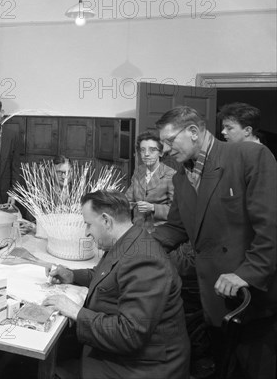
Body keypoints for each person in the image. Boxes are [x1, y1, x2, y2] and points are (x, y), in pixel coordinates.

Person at [153, 106, 277, 379]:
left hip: (252, 300)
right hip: (213, 298)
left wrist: (247, 273)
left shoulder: (250, 156)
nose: (164, 149)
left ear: (194, 132)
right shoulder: (181, 177)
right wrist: (133, 244)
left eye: (170, 141)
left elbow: (270, 226)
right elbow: (175, 228)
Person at [43, 190, 190, 379]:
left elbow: (129, 334)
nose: (87, 232)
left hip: (145, 366)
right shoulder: (128, 239)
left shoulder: (145, 260)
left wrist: (75, 311)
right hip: (134, 354)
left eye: (88, 224)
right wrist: (71, 275)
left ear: (106, 221)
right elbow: (106, 275)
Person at [125, 132, 176, 232]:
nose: (146, 154)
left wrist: (153, 207)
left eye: (152, 150)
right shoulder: (138, 171)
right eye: (143, 150)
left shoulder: (171, 175)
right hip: (137, 229)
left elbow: (176, 211)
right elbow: (128, 199)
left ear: (161, 153)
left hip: (160, 231)